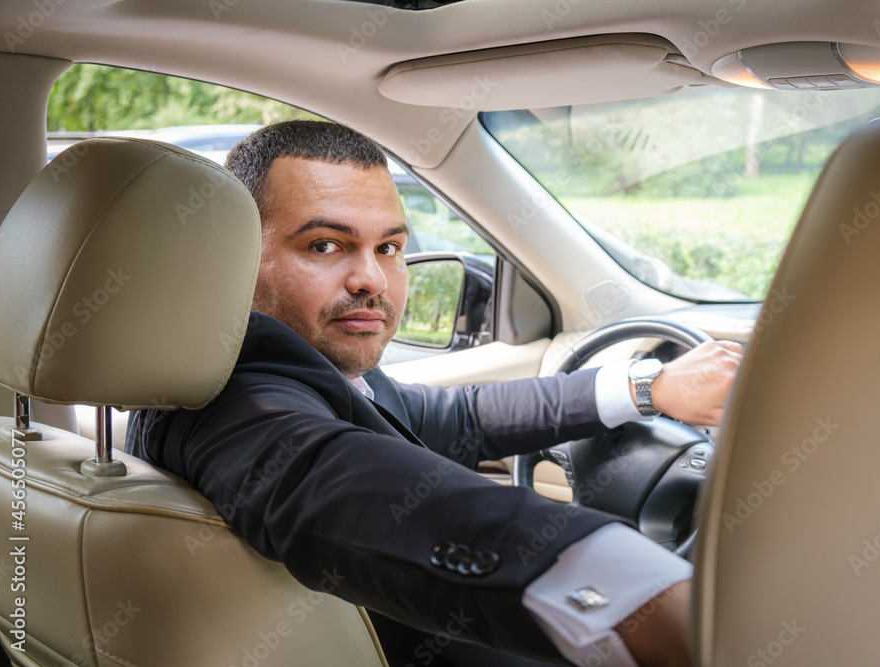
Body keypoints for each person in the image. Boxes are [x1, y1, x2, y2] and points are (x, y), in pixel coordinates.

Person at [126, 120, 743, 667]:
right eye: (324, 245)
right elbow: (327, 481)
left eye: (390, 247)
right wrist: (647, 598)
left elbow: (458, 416)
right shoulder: (235, 402)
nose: (372, 279)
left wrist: (647, 386)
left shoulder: (297, 371)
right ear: (236, 258)